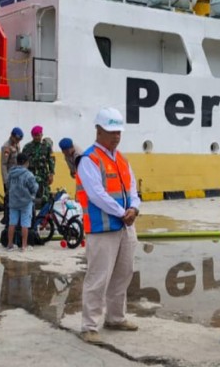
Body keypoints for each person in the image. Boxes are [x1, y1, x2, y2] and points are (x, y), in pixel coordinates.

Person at [76, 107, 141, 344]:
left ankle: (115, 317)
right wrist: (123, 212)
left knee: (123, 274)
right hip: (102, 229)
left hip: (125, 227)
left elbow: (132, 187)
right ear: (99, 130)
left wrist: (134, 208)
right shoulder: (89, 159)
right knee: (98, 277)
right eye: (112, 131)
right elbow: (96, 194)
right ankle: (89, 326)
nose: (116, 136)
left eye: (119, 132)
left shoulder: (121, 159)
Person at [6, 153, 39, 252]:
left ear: (17, 162)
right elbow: (33, 187)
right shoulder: (28, 175)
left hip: (13, 202)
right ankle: (24, 246)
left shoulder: (11, 173)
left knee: (12, 223)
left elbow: (8, 186)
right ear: (26, 162)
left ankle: (10, 245)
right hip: (26, 203)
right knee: (25, 224)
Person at [22, 125, 55, 205]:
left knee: (45, 194)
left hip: (43, 173)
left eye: (39, 135)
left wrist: (51, 174)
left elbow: (51, 160)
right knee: (30, 193)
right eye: (35, 135)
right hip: (30, 173)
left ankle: (44, 212)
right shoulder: (27, 147)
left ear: (42, 135)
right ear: (32, 136)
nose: (37, 137)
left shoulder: (46, 146)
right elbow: (22, 161)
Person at [0, 127, 23, 225]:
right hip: (10, 176)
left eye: (19, 140)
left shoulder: (17, 144)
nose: (18, 141)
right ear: (12, 136)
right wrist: (6, 180)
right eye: (17, 139)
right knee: (9, 198)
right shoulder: (6, 147)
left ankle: (14, 218)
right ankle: (6, 218)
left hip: (17, 175)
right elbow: (3, 164)